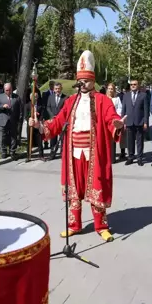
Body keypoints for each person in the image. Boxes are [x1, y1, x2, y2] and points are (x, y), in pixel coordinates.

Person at [29, 50, 125, 242]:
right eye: (80, 80)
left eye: (87, 81)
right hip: (73, 152)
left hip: (93, 152)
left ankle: (101, 226)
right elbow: (57, 122)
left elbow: (110, 117)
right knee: (74, 189)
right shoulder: (71, 101)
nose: (83, 84)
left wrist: (117, 125)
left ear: (93, 81)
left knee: (96, 186)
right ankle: (74, 225)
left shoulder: (103, 100)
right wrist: (40, 125)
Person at [106, 82, 127, 163]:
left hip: (114, 121)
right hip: (105, 121)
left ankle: (112, 158)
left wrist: (117, 118)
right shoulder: (104, 98)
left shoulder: (116, 99)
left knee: (113, 139)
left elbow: (119, 109)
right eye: (109, 88)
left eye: (112, 89)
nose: (110, 90)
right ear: (107, 89)